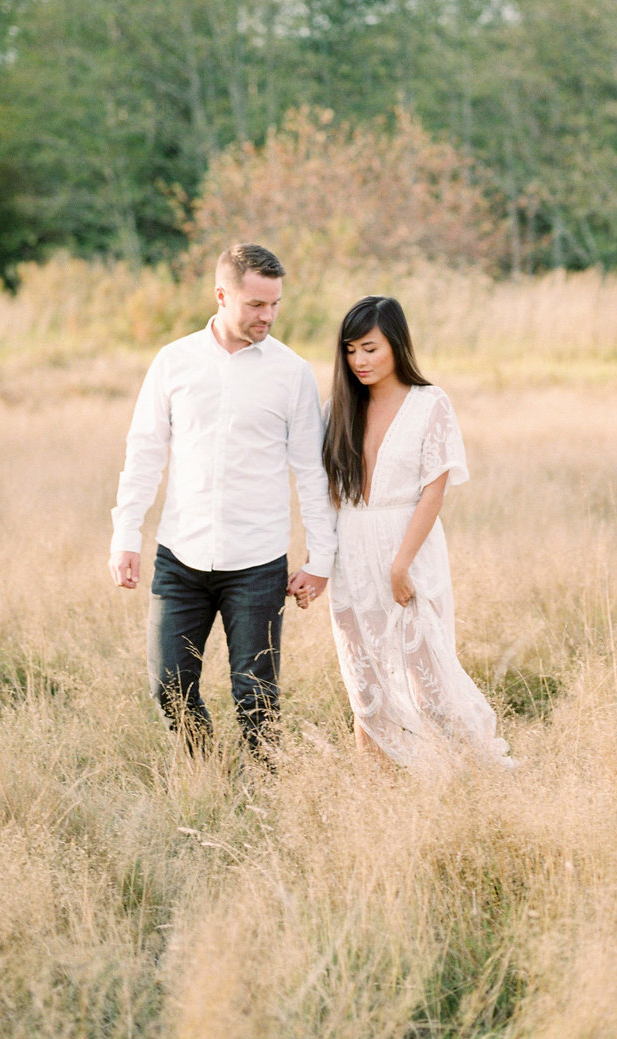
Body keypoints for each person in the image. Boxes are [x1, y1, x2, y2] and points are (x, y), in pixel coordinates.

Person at [110, 243, 334, 757]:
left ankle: (262, 801)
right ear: (221, 295)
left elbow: (311, 472)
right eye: (256, 305)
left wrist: (321, 560)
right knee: (169, 687)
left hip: (257, 562)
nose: (269, 316)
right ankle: (205, 778)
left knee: (257, 698)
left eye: (275, 303)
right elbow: (144, 452)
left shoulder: (292, 372)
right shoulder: (174, 361)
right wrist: (125, 537)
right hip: (180, 556)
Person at [321, 294, 509, 769]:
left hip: (407, 549)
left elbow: (433, 491)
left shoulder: (429, 404)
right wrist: (319, 562)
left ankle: (472, 778)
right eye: (350, 350)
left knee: (430, 682)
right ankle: (375, 794)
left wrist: (401, 563)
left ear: (396, 346)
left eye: (370, 348)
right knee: (363, 682)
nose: (359, 361)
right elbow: (327, 495)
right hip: (352, 553)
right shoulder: (339, 409)